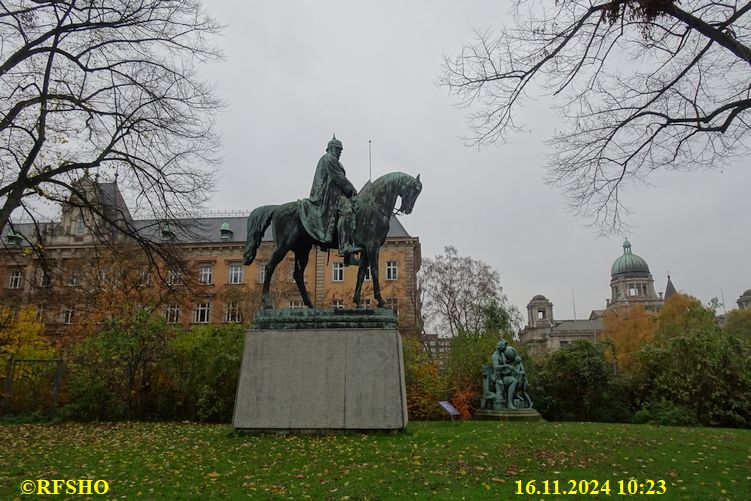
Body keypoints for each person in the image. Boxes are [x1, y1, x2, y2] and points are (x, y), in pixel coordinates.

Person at [298, 135, 362, 265]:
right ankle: (345, 247)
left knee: (353, 210)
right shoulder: (328, 159)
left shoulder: (333, 160)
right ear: (332, 148)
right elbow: (339, 178)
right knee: (347, 211)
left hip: (335, 193)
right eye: (338, 150)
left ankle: (349, 251)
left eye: (341, 150)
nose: (340, 153)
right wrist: (352, 190)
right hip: (327, 194)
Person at [491, 340, 518, 410]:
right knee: (514, 381)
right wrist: (506, 366)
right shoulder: (495, 356)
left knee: (516, 379)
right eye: (504, 347)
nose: (505, 349)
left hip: (504, 375)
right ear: (500, 347)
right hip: (498, 377)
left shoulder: (502, 354)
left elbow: (506, 362)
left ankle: (512, 400)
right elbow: (496, 367)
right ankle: (509, 403)